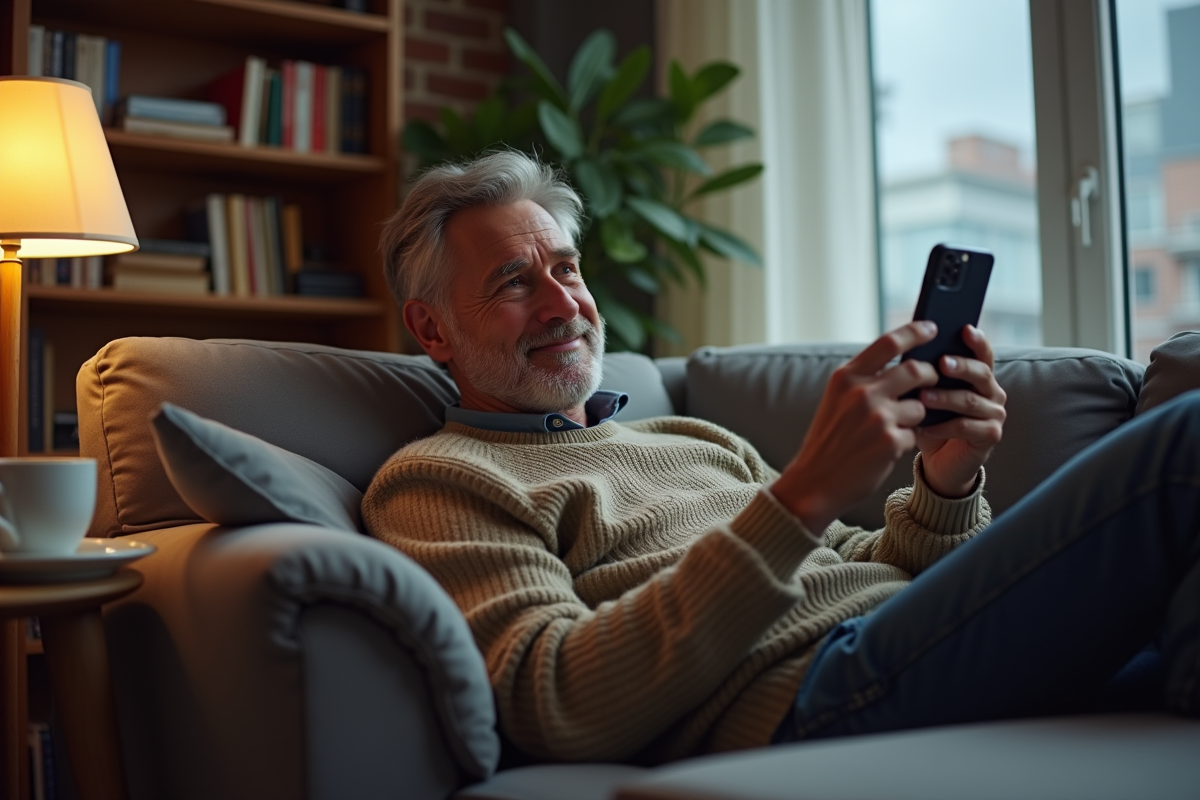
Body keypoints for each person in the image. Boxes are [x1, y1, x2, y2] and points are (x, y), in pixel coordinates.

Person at [362, 150, 1200, 765]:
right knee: (1183, 442)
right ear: (432, 328)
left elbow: (867, 567)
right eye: (515, 282)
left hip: (896, 642)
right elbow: (556, 700)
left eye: (567, 269)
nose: (563, 304)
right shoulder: (440, 479)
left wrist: (945, 477)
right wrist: (800, 497)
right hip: (814, 695)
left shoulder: (688, 441)